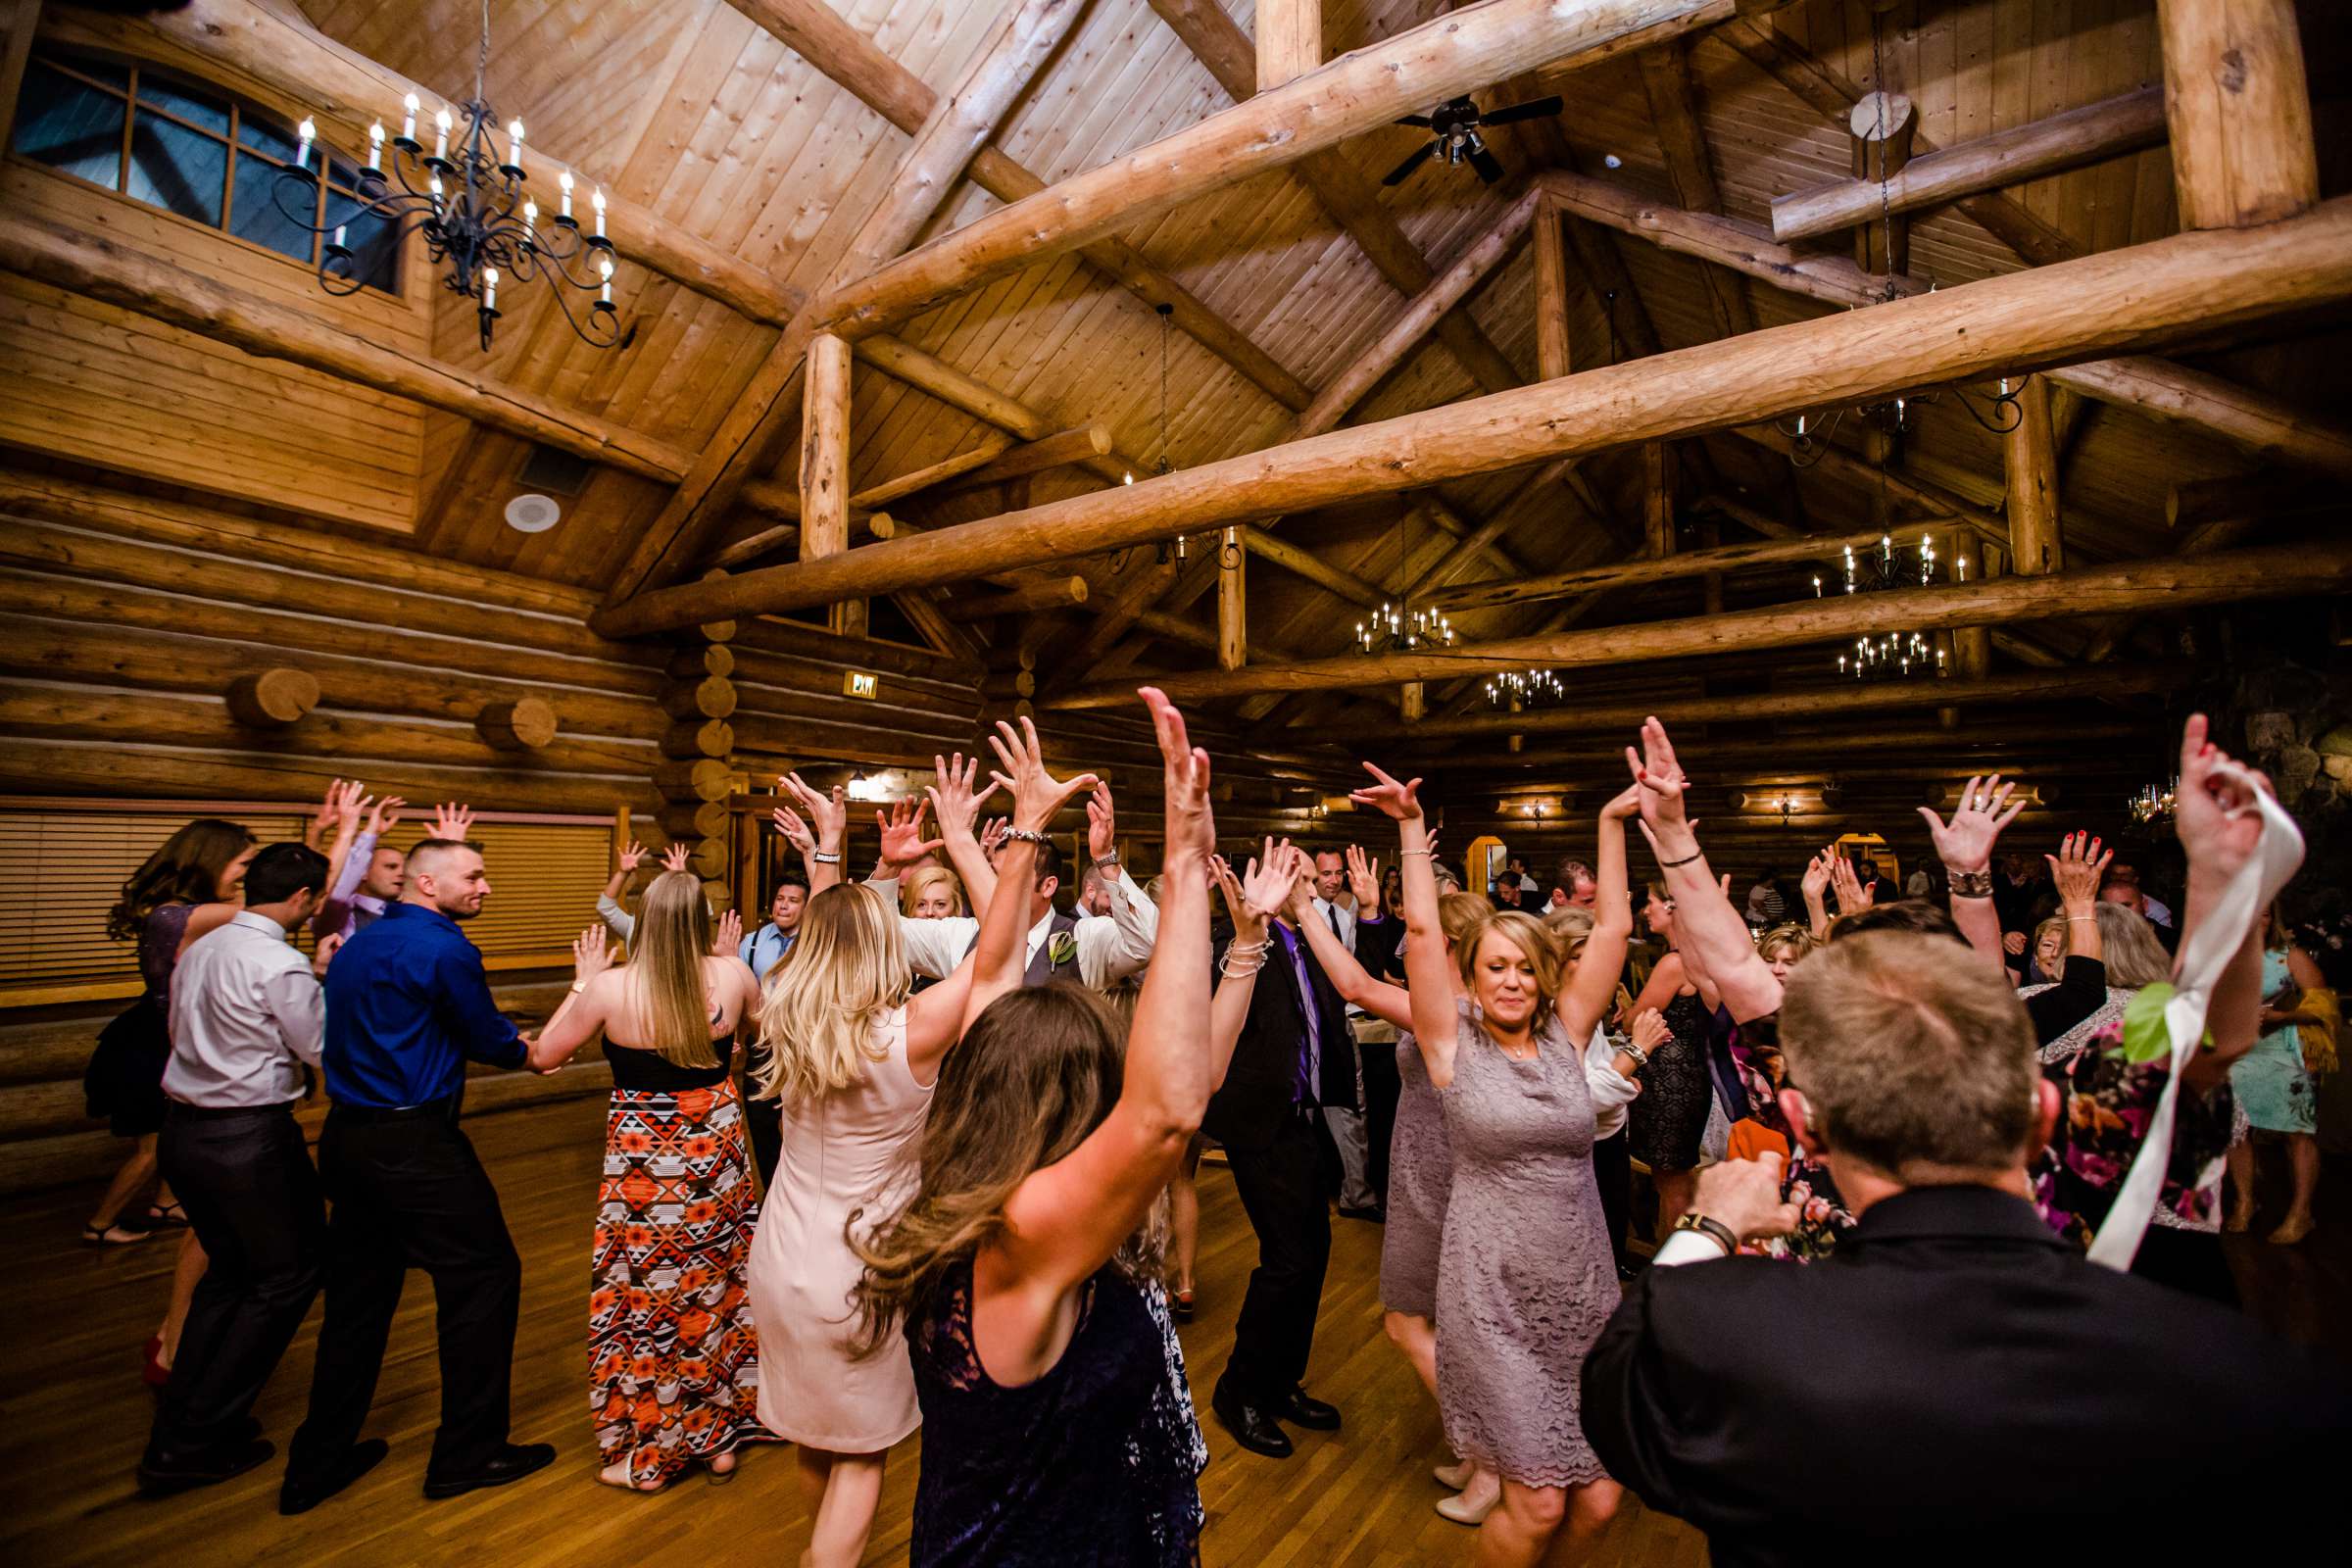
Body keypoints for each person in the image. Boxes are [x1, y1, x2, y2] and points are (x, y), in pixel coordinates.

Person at [1582, 912, 2348, 1567]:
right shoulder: (2257, 1383)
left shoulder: (1726, 1323)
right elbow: (2208, 1031)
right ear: (2045, 1120)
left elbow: (1614, 1389)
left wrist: (1707, 1227)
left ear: (1806, 1129)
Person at [854, 690, 1267, 1566]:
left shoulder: (970, 1192)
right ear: (1081, 1102)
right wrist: (1186, 863)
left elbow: (997, 967)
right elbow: (1164, 1116)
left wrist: (1027, 831)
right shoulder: (1024, 1233)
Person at [1360, 764, 1642, 1564]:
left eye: (1526, 966)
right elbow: (1419, 936)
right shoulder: (1450, 1043)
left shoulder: (1567, 1034)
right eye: (1495, 967)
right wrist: (1412, 830)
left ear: (1544, 975)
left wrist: (1613, 823)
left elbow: (1614, 930)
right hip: (1493, 1296)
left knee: (1602, 1496)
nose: (1512, 979)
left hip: (1582, 1288)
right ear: (1473, 977)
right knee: (1540, 1498)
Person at [744, 753, 1003, 1568]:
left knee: (817, 1438)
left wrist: (847, 857)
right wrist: (965, 845)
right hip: (860, 1270)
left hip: (779, 1256)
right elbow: (1003, 953)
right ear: (884, 950)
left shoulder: (786, 1009)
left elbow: (832, 927)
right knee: (861, 1454)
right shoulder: (909, 1032)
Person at [282, 833, 554, 1514]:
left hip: (347, 1139)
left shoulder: (357, 941)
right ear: (428, 884)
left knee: (358, 1300)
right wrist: (531, 1052)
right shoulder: (445, 948)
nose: (485, 887)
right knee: (485, 1275)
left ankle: (317, 1461)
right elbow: (486, 1037)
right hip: (413, 1144)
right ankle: (467, 1453)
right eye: (475, 876)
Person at [528, 871, 771, 1491]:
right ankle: (720, 1433)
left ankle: (665, 1441)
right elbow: (767, 1040)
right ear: (703, 919)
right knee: (716, 1279)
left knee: (656, 1292)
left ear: (645, 916)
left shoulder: (611, 988)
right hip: (715, 1150)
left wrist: (581, 980)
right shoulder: (736, 976)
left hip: (646, 1165)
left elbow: (544, 1055)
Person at [136, 842, 343, 1497]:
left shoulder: (199, 949)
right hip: (247, 1139)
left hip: (184, 1134)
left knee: (228, 1275)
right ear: (305, 901)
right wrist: (324, 981)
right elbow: (320, 1048)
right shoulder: (278, 964)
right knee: (289, 1276)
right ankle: (196, 1439)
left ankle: (179, 1428)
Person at [1200, 824, 1365, 1459]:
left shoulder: (1304, 939)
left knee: (1315, 1251)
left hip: (1307, 1117)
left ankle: (1279, 1382)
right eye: (1285, 870)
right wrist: (1252, 928)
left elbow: (1354, 986)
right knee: (1288, 1258)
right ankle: (1238, 1389)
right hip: (1259, 1120)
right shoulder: (1231, 943)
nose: (1299, 881)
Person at [88, 817, 258, 1250]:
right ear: (213, 861)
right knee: (154, 1144)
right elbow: (273, 904)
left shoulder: (176, 907)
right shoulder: (178, 916)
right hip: (148, 1043)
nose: (247, 874)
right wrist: (346, 834)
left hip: (160, 1033)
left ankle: (165, 1203)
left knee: (172, 1125)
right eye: (244, 863)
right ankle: (101, 1223)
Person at [2227, 908, 2327, 1246]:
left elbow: (2323, 1006)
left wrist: (2281, 1015)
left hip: (2279, 1051)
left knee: (2298, 1131)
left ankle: (2301, 1214)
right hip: (2233, 1052)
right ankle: (2244, 1201)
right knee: (2237, 1130)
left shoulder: (2288, 957)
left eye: (2265, 914)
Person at [1624, 883, 1713, 1240]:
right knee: (1679, 1177)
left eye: (1651, 902)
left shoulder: (1674, 963)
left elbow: (1635, 1020)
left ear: (1673, 906)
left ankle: (1675, 1266)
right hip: (1691, 1076)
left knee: (1671, 1182)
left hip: (1670, 1083)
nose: (1646, 910)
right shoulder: (1702, 954)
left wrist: (1629, 1011)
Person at [312, 793, 411, 943]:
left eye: (404, 868)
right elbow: (338, 889)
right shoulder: (344, 913)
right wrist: (371, 831)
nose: (402, 873)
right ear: (363, 872)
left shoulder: (407, 911)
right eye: (391, 867)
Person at [595, 839, 689, 942]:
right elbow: (605, 908)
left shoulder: (685, 927)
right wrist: (623, 873)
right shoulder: (633, 928)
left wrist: (681, 878)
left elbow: (703, 908)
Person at [740, 868, 808, 980]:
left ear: (805, 908)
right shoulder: (751, 943)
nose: (783, 906)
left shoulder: (813, 943)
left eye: (793, 900)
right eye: (779, 899)